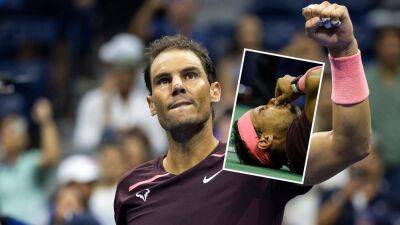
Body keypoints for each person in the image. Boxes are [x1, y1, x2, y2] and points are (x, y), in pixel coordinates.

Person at [114, 2, 371, 224]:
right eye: (163, 80)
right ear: (150, 104)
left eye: (190, 75)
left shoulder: (256, 166)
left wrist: (344, 51)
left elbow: (352, 144)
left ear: (216, 92)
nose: (178, 85)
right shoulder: (131, 188)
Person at [233, 65, 322, 175]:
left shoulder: (296, 160)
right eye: (264, 109)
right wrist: (296, 85)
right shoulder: (295, 144)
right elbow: (318, 78)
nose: (271, 101)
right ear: (265, 140)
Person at [0, 99, 61, 225]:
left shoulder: (30, 160)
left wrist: (46, 121)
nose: (15, 133)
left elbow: (52, 156)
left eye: (18, 127)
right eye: (10, 129)